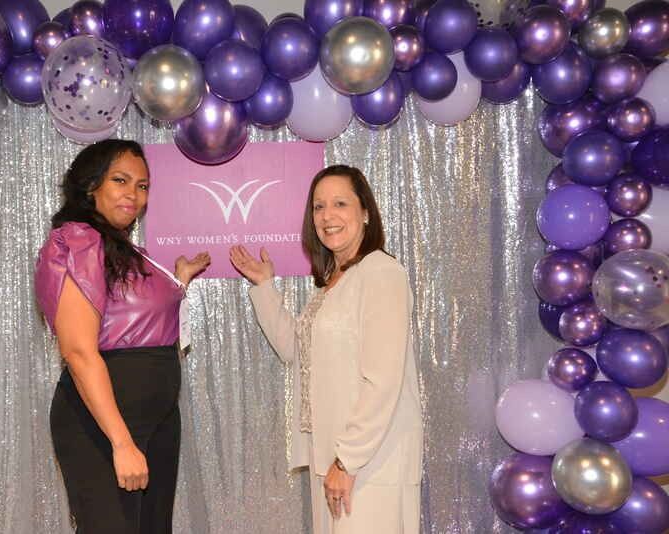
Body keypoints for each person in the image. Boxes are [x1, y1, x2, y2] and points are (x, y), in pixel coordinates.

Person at [230, 165, 423, 534]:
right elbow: (296, 351)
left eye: (340, 204)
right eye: (319, 207)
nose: (327, 216)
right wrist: (264, 287)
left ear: (365, 212)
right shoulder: (333, 283)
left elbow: (383, 380)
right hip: (335, 459)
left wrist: (348, 461)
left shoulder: (381, 273)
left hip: (370, 463)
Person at [34, 139, 209, 533]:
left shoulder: (124, 250)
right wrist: (122, 442)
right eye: (121, 180)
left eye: (143, 185)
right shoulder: (77, 242)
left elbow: (133, 319)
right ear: (90, 185)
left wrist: (176, 283)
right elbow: (79, 351)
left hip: (160, 417)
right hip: (105, 422)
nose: (134, 194)